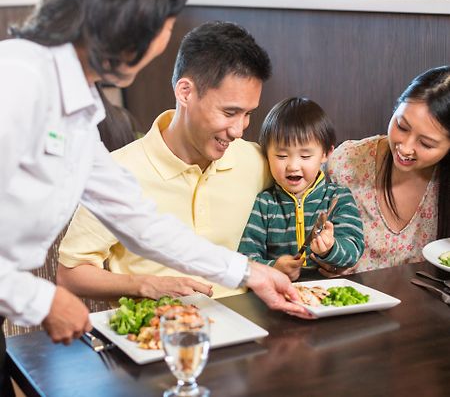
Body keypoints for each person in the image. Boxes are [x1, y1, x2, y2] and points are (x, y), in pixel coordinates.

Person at [0, 0, 310, 395]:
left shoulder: (78, 104)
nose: (169, 35)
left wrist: (250, 273)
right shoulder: (19, 79)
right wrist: (43, 300)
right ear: (131, 23)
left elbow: (140, 221)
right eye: (167, 22)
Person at [57, 21, 272, 301]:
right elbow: (70, 274)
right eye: (229, 112)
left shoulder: (254, 161)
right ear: (185, 92)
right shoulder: (119, 170)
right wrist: (142, 285)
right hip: (154, 336)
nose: (238, 129)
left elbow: (314, 190)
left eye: (248, 114)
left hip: (248, 331)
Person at [325, 66, 450, 275]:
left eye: (426, 144)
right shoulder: (346, 162)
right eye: (401, 126)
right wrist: (325, 258)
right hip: (348, 302)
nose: (406, 148)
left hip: (427, 305)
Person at [238, 97, 364, 281]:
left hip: (327, 292)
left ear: (325, 154)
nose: (293, 166)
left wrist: (331, 248)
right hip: (277, 293)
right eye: (281, 156)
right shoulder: (264, 203)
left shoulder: (338, 198)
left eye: (305, 156)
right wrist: (274, 267)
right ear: (267, 155)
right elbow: (245, 259)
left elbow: (353, 250)